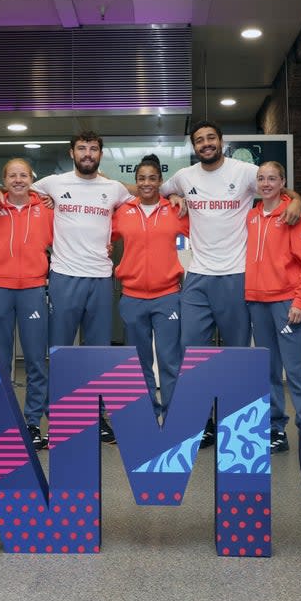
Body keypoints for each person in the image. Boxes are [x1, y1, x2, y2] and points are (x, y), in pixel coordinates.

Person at [160, 121, 301, 445]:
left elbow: (275, 187)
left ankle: (238, 424)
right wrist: (174, 199)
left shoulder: (244, 172)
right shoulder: (185, 177)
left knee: (237, 353)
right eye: (199, 140)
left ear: (221, 142)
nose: (206, 143)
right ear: (193, 146)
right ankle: (202, 421)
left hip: (236, 275)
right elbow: (155, 191)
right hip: (197, 276)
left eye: (211, 138)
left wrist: (296, 201)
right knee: (191, 351)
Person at [0, 130, 132, 443]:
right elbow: (17, 189)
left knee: (98, 355)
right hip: (64, 276)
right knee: (60, 354)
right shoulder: (52, 183)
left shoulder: (113, 188)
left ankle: (96, 417)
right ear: (72, 152)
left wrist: (171, 195)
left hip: (100, 278)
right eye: (82, 148)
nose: (88, 153)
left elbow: (140, 202)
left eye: (93, 148)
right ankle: (60, 417)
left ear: (100, 154)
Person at [245, 161, 301, 453]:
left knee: (298, 371)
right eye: (261, 178)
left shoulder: (295, 216)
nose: (266, 183)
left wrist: (300, 301)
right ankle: (276, 429)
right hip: (257, 303)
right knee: (269, 371)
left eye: (272, 178)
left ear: (282, 182)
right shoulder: (251, 217)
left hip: (287, 304)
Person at [111, 154, 189, 419]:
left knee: (170, 360)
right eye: (141, 178)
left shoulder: (175, 211)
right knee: (138, 361)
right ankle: (145, 414)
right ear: (136, 182)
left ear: (160, 181)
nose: (147, 183)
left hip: (168, 296)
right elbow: (101, 237)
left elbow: (207, 232)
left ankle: (173, 415)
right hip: (131, 297)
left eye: (152, 178)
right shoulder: (123, 212)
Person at [0, 159, 53, 449]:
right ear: (4, 179)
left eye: (23, 175)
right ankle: (2, 423)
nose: (18, 179)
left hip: (34, 289)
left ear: (31, 179)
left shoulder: (47, 209)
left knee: (36, 360)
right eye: (12, 175)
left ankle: (32, 422)